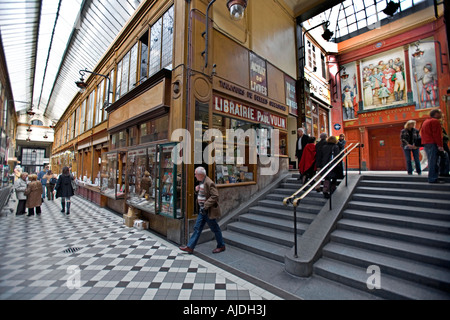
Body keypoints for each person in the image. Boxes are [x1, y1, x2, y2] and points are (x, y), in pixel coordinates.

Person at [179, 167, 225, 254]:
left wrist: (205, 205)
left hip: (208, 211)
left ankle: (221, 245)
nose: (195, 176)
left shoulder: (209, 182)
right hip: (202, 210)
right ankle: (190, 247)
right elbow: (204, 194)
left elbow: (215, 196)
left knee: (215, 228)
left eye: (196, 174)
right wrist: (198, 190)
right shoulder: (202, 181)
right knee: (197, 228)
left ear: (200, 175)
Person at [421, 109, 445, 183]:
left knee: (431, 160)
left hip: (426, 143)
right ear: (436, 114)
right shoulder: (435, 121)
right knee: (433, 161)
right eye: (440, 113)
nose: (441, 114)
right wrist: (440, 145)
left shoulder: (426, 121)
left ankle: (434, 177)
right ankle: (433, 178)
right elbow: (436, 134)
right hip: (432, 142)